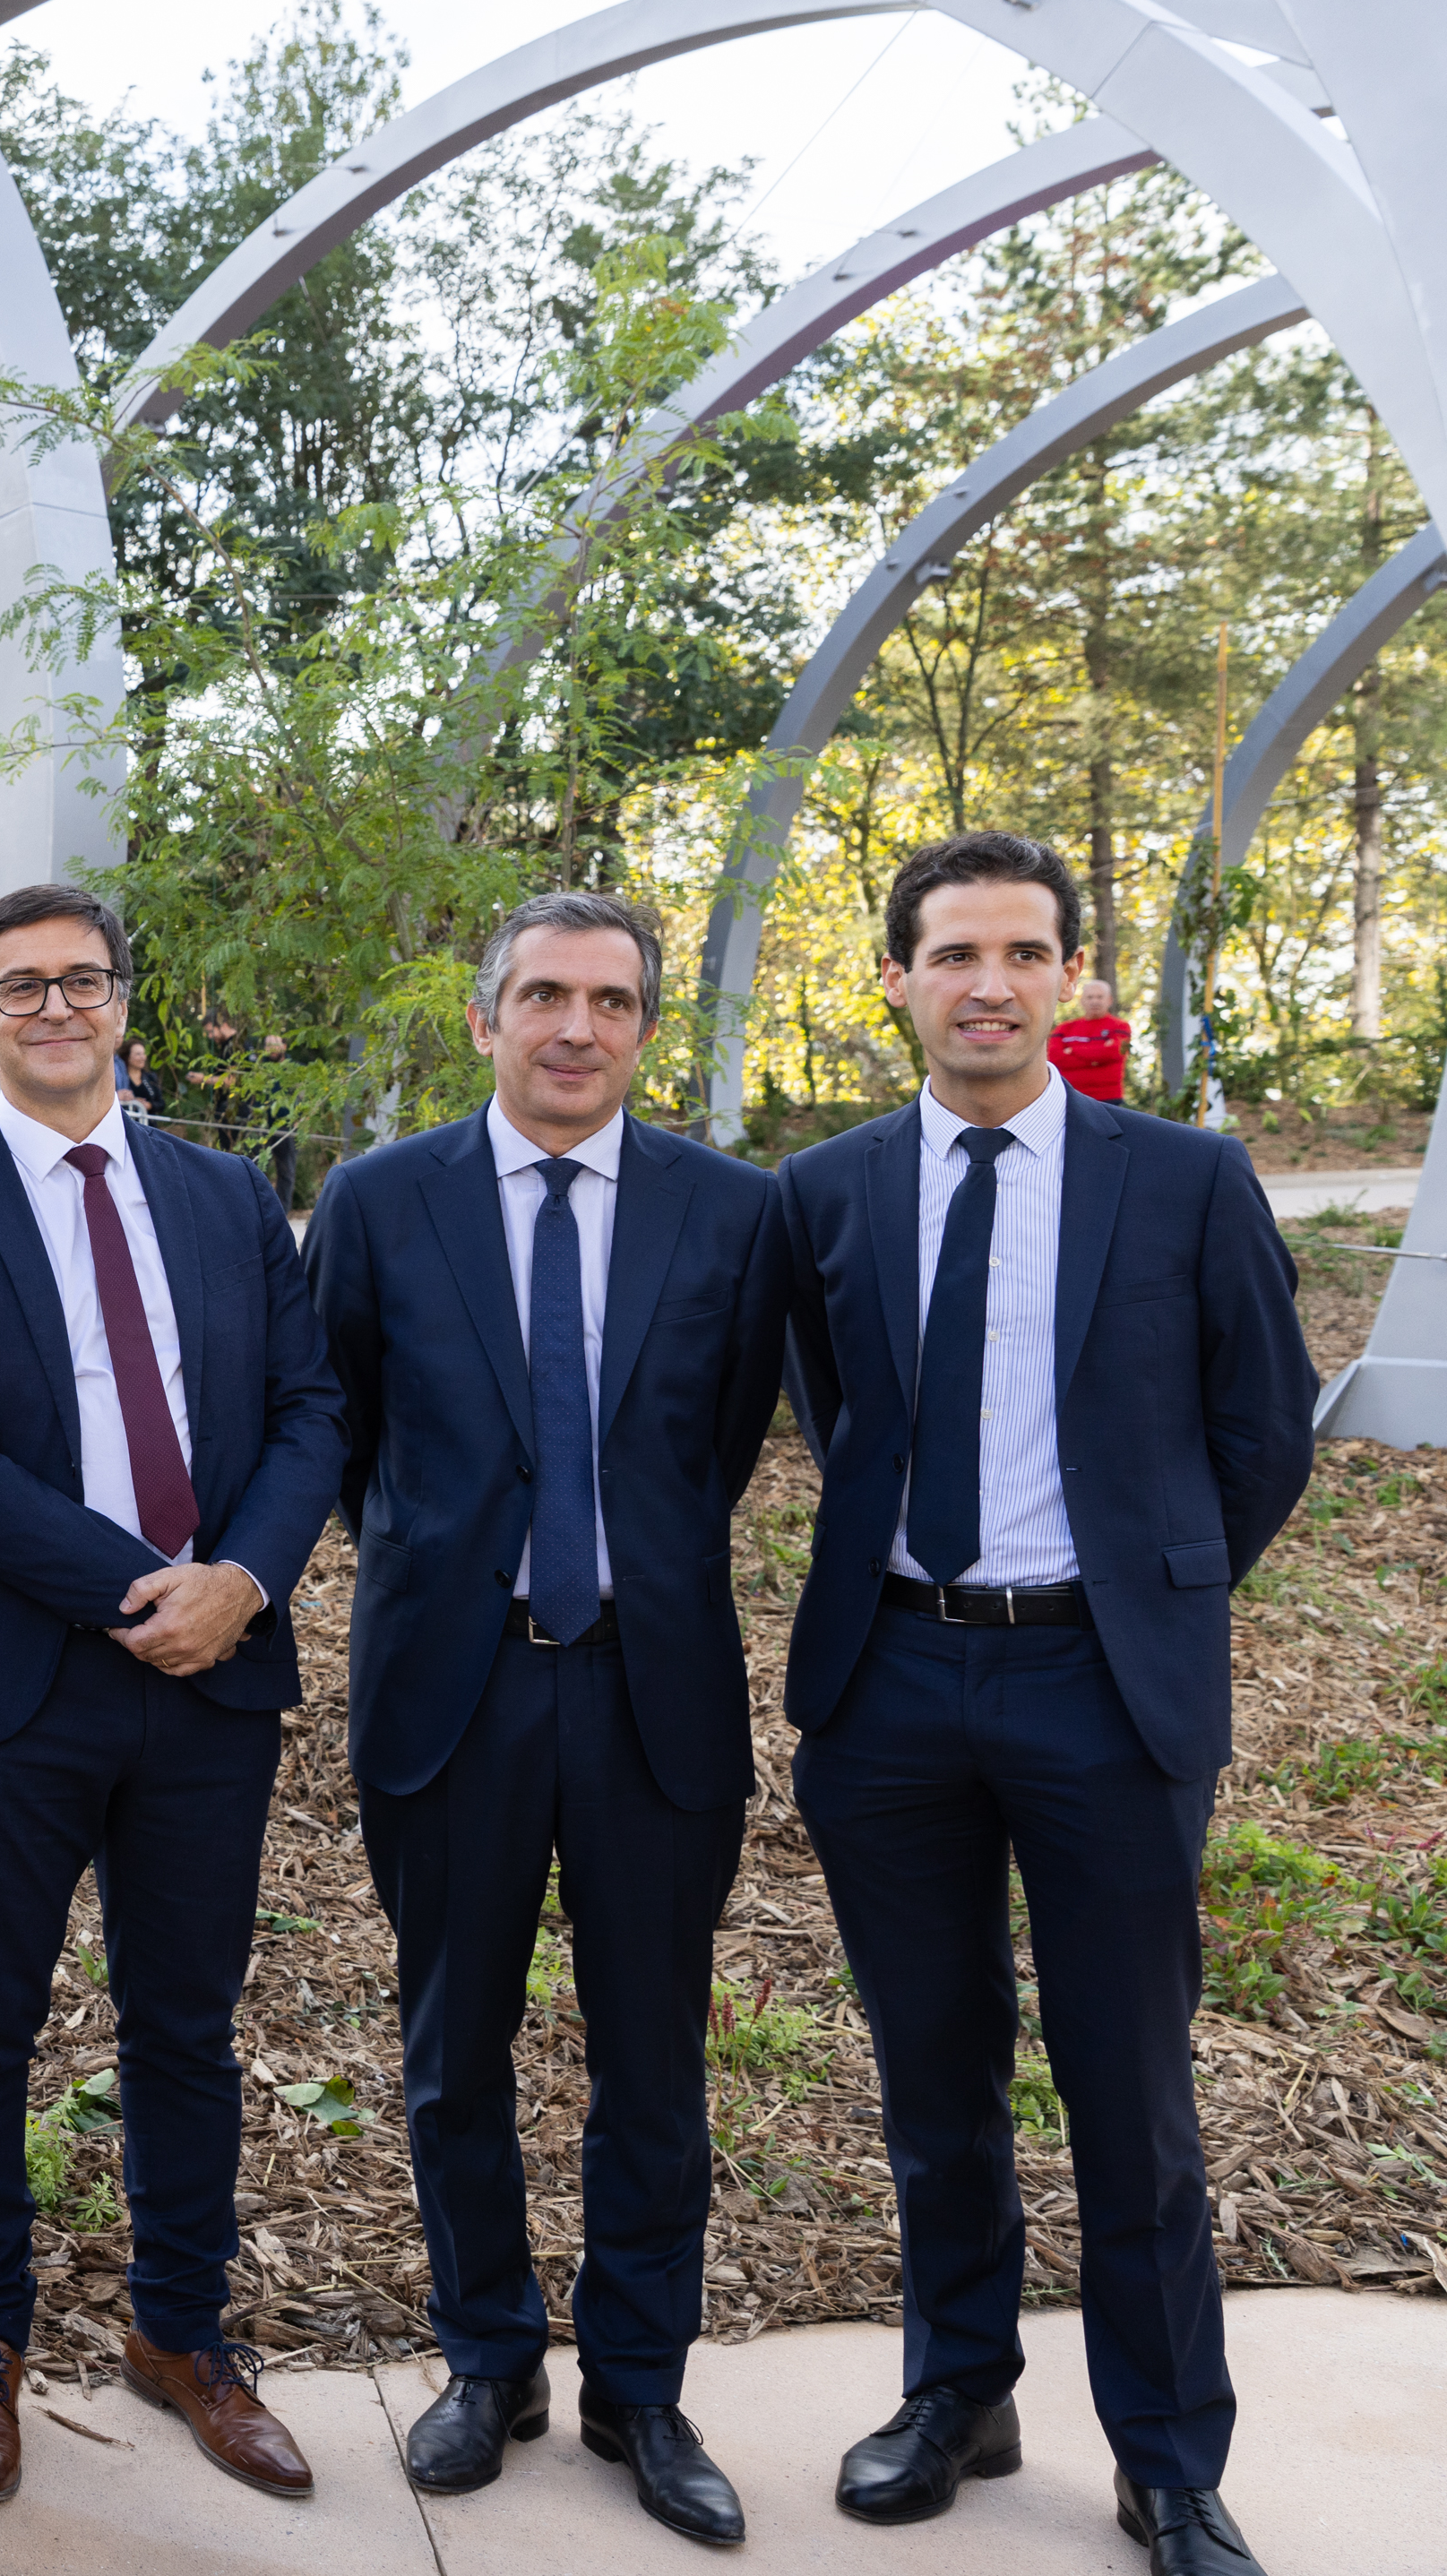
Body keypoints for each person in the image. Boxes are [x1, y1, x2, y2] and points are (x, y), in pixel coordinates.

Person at [778, 833, 1312, 2576]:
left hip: (1103, 1680)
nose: (987, 983)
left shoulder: (1182, 1181)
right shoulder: (831, 1189)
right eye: (952, 954)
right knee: (934, 2074)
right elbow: (826, 1407)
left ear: (1068, 975)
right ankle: (959, 2393)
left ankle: (1164, 2458)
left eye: (1021, 952)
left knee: (1129, 2091)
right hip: (893, 1680)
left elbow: (1262, 1425)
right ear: (898, 981)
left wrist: (1153, 1589)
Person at [302, 891, 794, 2546]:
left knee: (651, 2057)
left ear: (645, 1026)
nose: (573, 1026)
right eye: (540, 996)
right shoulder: (375, 1203)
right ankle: (486, 2353)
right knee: (452, 2050)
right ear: (480, 1016)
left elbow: (712, 1444)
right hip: (452, 1684)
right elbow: (345, 1428)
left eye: (607, 1000)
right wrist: (457, 1567)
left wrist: (610, 1568)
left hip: (652, 1688)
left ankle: (638, 2387)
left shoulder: (732, 1214)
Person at [0, 881, 343, 2511]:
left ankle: (179, 2332)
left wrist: (239, 1580)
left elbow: (304, 1408)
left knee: (183, 2023)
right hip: (18, 1682)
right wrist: (135, 1587)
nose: (52, 1007)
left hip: (213, 1678)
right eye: (16, 987)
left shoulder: (223, 1196)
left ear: (121, 1004)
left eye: (79, 980)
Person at [1047, 971, 1133, 1106]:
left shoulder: (1121, 1026)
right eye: (1090, 997)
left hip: (1109, 1098)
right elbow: (1054, 1058)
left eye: (1100, 997)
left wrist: (1073, 1050)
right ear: (1082, 1000)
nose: (1095, 1001)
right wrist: (1096, 1055)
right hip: (1069, 1097)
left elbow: (1115, 1052)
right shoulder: (1063, 1029)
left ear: (1109, 1000)